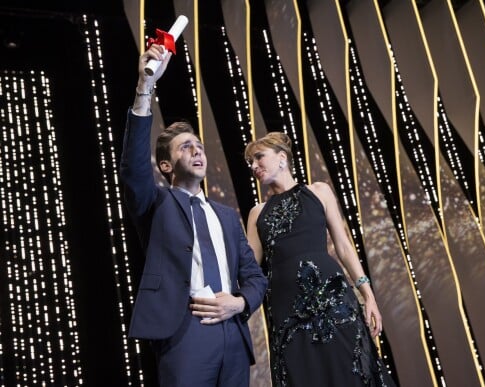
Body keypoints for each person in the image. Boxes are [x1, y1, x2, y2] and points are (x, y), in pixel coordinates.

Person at [120, 43, 268, 387]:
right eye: (185, 146)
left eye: (198, 145)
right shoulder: (154, 204)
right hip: (185, 333)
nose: (197, 149)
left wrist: (240, 302)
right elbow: (132, 170)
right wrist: (145, 88)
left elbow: (256, 277)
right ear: (167, 165)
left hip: (234, 335)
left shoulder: (228, 216)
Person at [244, 132, 397, 387]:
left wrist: (368, 295)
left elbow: (344, 247)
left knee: (351, 371)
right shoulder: (257, 213)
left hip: (332, 300)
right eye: (249, 162)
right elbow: (249, 270)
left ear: (282, 158)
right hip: (286, 311)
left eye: (259, 157)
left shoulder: (318, 191)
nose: (253, 166)